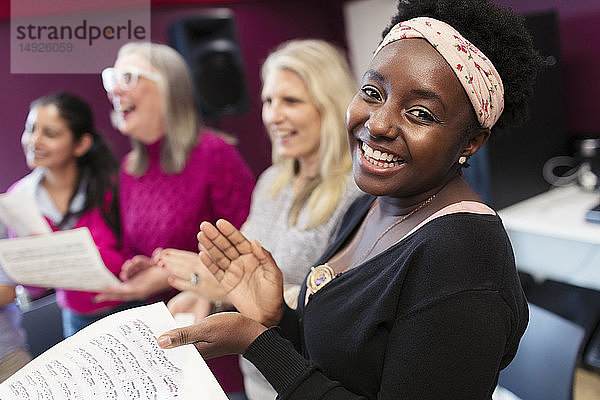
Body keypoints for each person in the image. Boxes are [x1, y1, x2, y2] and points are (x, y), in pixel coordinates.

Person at [157, 0, 543, 398]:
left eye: (420, 114)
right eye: (373, 92)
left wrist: (258, 343)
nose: (377, 124)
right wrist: (278, 318)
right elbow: (340, 358)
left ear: (472, 141)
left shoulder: (462, 258)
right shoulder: (371, 204)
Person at [154, 39, 363, 400]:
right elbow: (242, 276)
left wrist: (225, 290)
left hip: (313, 383)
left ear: (329, 107)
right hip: (259, 378)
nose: (273, 115)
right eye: (268, 101)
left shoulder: (356, 193)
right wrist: (206, 297)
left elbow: (346, 310)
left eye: (291, 101)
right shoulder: (271, 183)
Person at [94, 42, 255, 399]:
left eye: (128, 77)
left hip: (217, 348)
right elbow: (139, 248)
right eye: (112, 78)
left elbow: (250, 253)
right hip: (161, 350)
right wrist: (140, 265)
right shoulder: (130, 170)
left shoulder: (215, 155)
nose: (114, 89)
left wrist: (170, 276)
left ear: (169, 87)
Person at [3, 92, 126, 337]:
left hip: (129, 306)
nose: (34, 141)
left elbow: (131, 258)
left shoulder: (111, 186)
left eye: (50, 134)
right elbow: (33, 287)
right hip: (76, 319)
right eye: (31, 129)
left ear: (81, 144)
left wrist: (60, 251)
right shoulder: (19, 197)